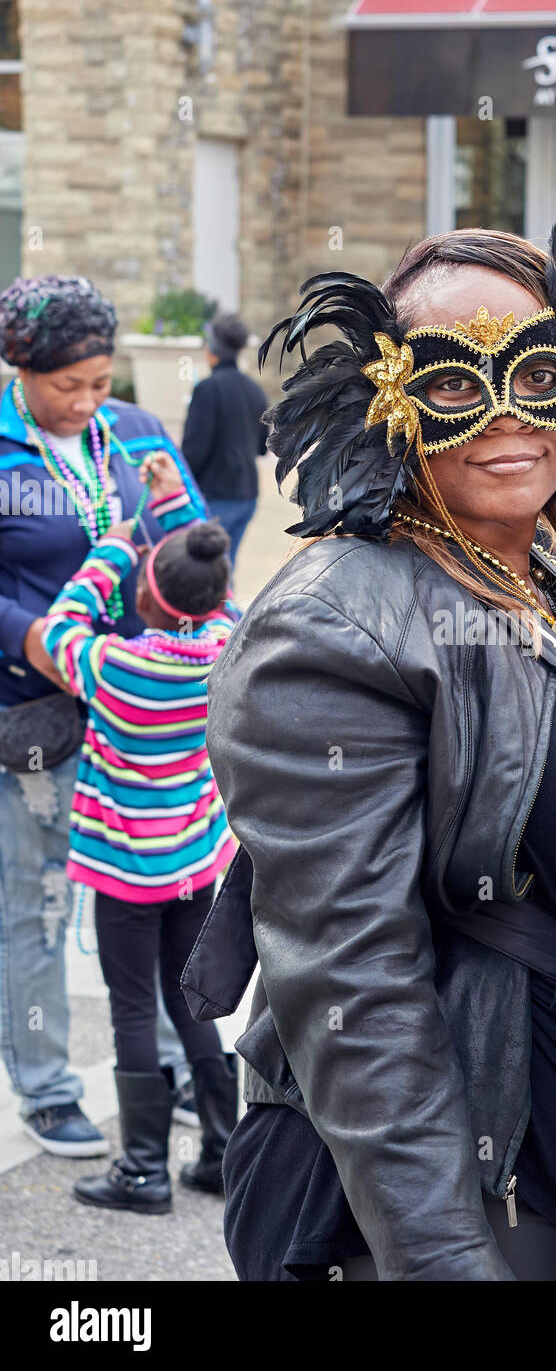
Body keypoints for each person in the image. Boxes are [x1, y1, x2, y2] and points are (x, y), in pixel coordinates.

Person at [180, 197, 556, 1281]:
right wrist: (442, 1260)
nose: (502, 418)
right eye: (447, 385)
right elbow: (353, 987)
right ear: (387, 404)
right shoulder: (331, 625)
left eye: (537, 377)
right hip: (437, 1204)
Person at [0, 275, 204, 1159]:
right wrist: (29, 636)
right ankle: (46, 1085)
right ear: (19, 367)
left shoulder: (137, 432)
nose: (87, 403)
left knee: (154, 897)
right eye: (66, 386)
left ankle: (164, 1066)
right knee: (40, 901)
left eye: (98, 380)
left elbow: (199, 558)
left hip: (138, 713)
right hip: (36, 712)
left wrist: (171, 503)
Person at [41, 449, 238, 1212]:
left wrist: (115, 546)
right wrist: (176, 511)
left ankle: (144, 1170)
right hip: (194, 861)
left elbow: (62, 621)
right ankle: (222, 1151)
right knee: (193, 999)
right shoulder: (226, 650)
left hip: (125, 872)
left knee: (132, 1009)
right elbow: (213, 584)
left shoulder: (114, 665)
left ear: (143, 599)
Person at [180, 312, 268, 571]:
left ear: (211, 350)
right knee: (224, 567)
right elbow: (262, 446)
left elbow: (194, 452)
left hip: (215, 496)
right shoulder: (255, 390)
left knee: (205, 570)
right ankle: (224, 611)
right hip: (247, 495)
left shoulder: (207, 389)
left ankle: (215, 612)